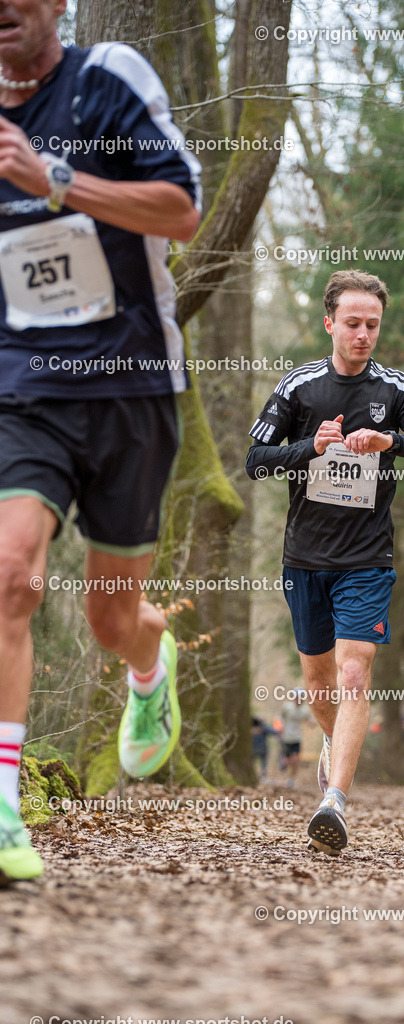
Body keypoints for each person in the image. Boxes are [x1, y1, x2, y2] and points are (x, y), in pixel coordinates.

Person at [0, 0, 202, 882]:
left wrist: (54, 181)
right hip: (21, 389)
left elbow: (181, 209)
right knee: (10, 575)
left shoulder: (105, 79)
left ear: (56, 6)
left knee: (108, 616)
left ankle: (149, 664)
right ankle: (5, 811)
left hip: (128, 388)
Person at [246, 269, 404, 855]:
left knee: (355, 671)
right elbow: (255, 460)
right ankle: (334, 748)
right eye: (353, 323)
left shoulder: (395, 389)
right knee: (319, 680)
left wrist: (390, 443)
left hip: (367, 554)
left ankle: (334, 799)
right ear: (330, 323)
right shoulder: (299, 388)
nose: (363, 335)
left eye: (373, 325)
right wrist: (313, 447)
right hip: (305, 556)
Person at [279, 687, 312, 789]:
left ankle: (291, 780)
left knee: (296, 760)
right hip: (286, 737)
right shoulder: (287, 707)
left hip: (297, 738)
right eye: (298, 697)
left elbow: (309, 720)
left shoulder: (305, 709)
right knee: (288, 761)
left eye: (301, 698)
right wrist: (279, 726)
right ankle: (283, 761)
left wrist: (312, 723)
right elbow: (279, 717)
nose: (299, 700)